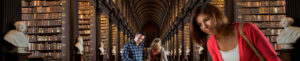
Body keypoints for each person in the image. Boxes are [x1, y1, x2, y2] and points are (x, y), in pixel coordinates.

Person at [190, 3, 280, 61]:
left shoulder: (247, 29)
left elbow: (272, 58)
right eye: (200, 24)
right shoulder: (211, 43)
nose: (204, 26)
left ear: (216, 15)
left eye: (206, 20)